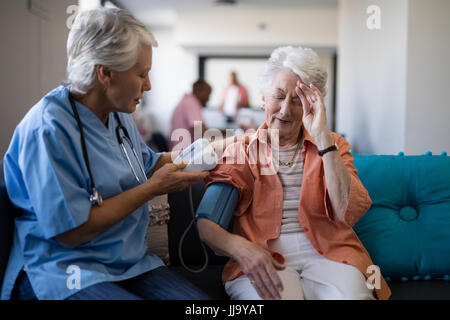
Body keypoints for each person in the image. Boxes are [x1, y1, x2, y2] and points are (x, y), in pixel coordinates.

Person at [1, 8, 215, 300]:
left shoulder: (119, 115)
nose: (148, 85)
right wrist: (152, 189)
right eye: (141, 74)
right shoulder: (48, 129)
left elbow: (149, 165)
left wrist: (216, 149)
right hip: (64, 269)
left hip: (127, 264)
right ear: (105, 73)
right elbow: (72, 232)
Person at [196, 46, 392, 300]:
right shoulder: (242, 150)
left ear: (313, 103)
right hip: (262, 252)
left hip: (330, 251)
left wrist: (322, 136)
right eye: (279, 96)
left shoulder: (334, 144)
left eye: (298, 100)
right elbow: (205, 224)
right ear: (263, 97)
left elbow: (346, 212)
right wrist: (241, 250)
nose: (286, 110)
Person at [168, 80, 211, 151]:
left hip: (179, 149)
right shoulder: (191, 103)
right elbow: (200, 130)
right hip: (184, 152)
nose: (208, 99)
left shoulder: (187, 100)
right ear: (199, 91)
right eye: (207, 94)